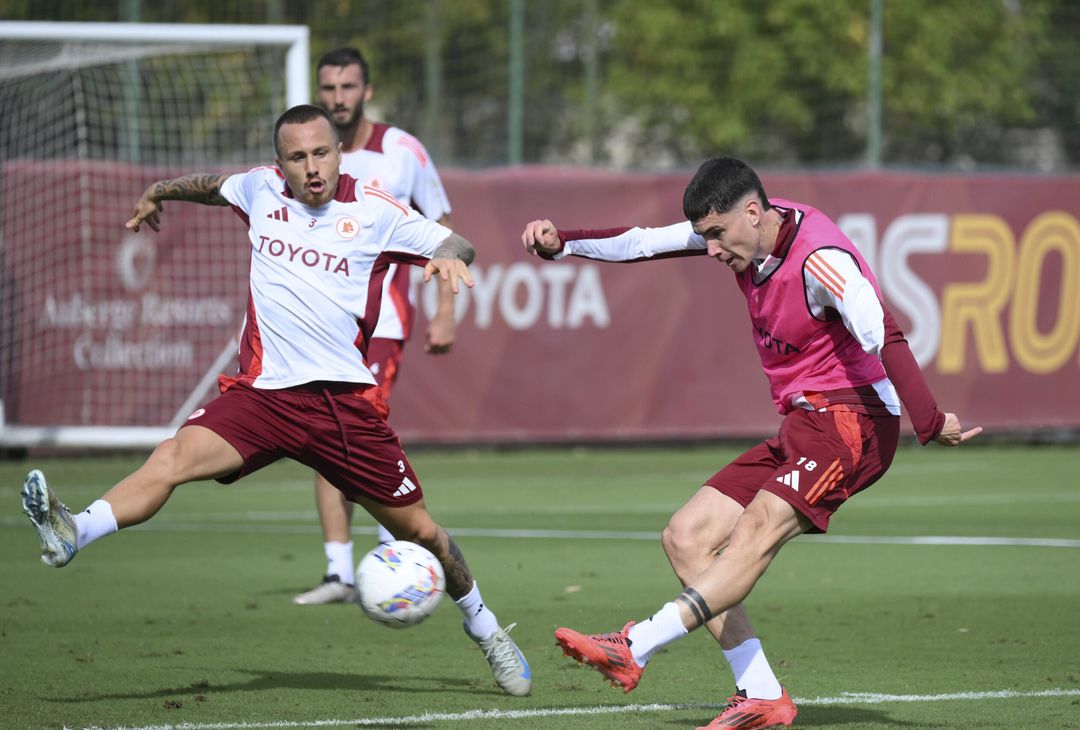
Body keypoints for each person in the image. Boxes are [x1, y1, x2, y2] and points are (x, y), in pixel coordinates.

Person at [21, 104, 531, 697]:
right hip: (263, 399)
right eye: (297, 157)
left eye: (321, 153)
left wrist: (448, 255)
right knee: (171, 458)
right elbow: (211, 186)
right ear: (279, 163)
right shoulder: (259, 189)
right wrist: (160, 190)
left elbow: (454, 240)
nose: (312, 167)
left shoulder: (376, 210)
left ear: (339, 153)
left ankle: (486, 629)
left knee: (422, 533)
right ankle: (73, 531)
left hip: (343, 407)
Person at [521, 155, 980, 728]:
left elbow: (883, 332)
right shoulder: (740, 233)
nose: (711, 249)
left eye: (717, 234)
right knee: (687, 536)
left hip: (854, 422)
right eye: (705, 236)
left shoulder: (821, 259)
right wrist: (563, 243)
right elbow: (641, 242)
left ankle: (636, 645)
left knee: (758, 528)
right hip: (804, 424)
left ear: (754, 213)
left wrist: (930, 421)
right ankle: (762, 694)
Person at [293, 47, 458, 606]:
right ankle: (340, 572)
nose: (338, 97)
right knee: (323, 434)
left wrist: (445, 310)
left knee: (359, 427)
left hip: (381, 321)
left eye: (348, 87)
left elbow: (442, 229)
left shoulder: (402, 152)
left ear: (366, 91)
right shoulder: (306, 159)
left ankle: (393, 554)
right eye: (329, 88)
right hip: (320, 326)